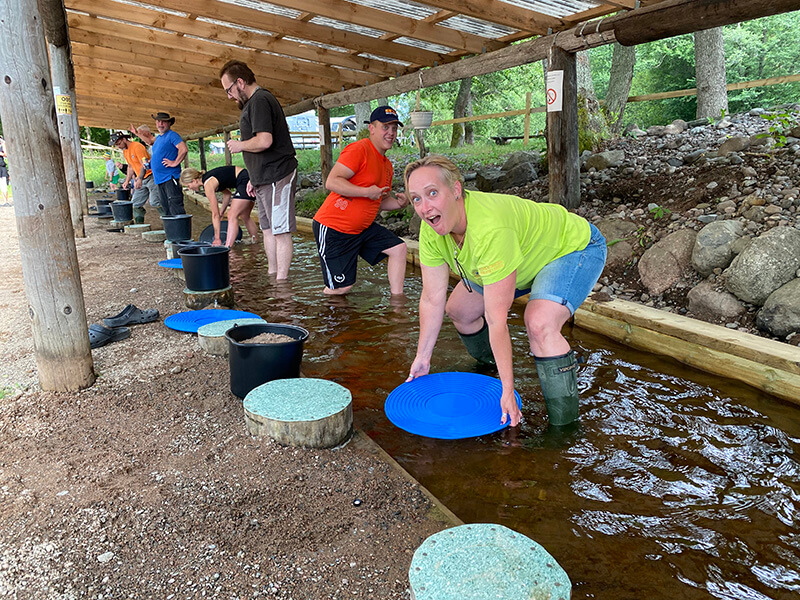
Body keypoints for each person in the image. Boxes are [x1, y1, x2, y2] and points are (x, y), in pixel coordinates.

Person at [404, 155, 607, 429]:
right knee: (460, 311)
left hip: (571, 249)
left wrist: (507, 390)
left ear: (456, 190)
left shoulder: (490, 227)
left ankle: (565, 429)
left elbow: (497, 319)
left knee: (539, 324)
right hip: (520, 259)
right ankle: (491, 370)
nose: (425, 207)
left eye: (432, 193)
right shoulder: (432, 228)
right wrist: (422, 358)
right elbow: (431, 299)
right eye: (416, 198)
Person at [311, 106, 408, 296]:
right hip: (334, 228)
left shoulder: (387, 165)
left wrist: (399, 204)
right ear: (372, 128)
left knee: (398, 248)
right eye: (385, 127)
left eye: (394, 128)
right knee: (341, 288)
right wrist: (366, 192)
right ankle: (326, 320)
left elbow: (379, 200)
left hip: (361, 229)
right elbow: (332, 181)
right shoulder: (359, 149)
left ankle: (398, 302)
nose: (391, 133)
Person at [219, 60, 297, 280]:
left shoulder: (260, 100)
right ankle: (273, 277)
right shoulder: (251, 104)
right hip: (263, 177)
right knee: (268, 229)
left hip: (278, 174)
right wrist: (253, 177)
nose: (229, 96)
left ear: (240, 82)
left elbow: (264, 140)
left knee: (280, 230)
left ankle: (282, 285)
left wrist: (239, 145)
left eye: (229, 90)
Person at [180, 166, 259, 247]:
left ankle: (228, 248)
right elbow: (227, 194)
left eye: (188, 186)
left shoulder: (208, 185)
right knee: (245, 215)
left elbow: (215, 214)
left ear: (194, 181)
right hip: (246, 177)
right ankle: (255, 242)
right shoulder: (209, 179)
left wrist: (217, 238)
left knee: (231, 215)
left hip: (244, 180)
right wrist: (221, 212)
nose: (189, 189)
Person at [111, 131, 163, 222]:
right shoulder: (125, 151)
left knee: (155, 202)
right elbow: (130, 166)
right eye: (116, 145)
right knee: (136, 203)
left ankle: (168, 221)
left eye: (119, 143)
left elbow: (145, 164)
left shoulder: (137, 147)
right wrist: (127, 180)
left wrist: (139, 178)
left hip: (151, 176)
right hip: (141, 178)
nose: (118, 146)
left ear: (124, 139)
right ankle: (140, 224)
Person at [149, 112, 188, 216]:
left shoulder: (172, 135)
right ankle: (171, 230)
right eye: (158, 121)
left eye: (163, 122)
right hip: (160, 178)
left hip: (170, 177)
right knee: (165, 205)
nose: (160, 124)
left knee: (174, 204)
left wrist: (175, 162)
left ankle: (179, 230)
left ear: (169, 123)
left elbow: (183, 149)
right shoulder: (159, 138)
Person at [0, 136, 8, 206]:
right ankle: (3, 201)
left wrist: (0, 153)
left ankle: (6, 201)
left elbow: (5, 154)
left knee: (3, 183)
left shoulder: (2, 144)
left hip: (1, 166)